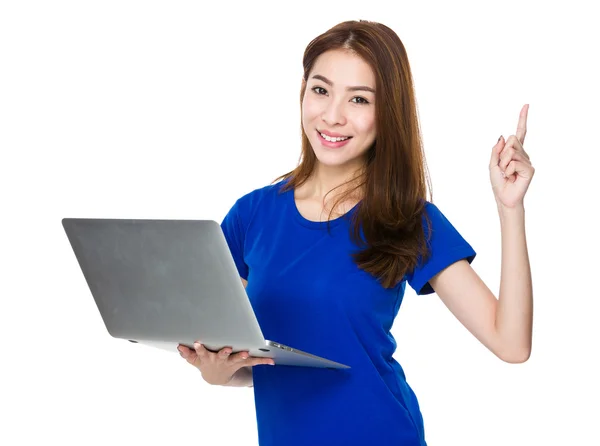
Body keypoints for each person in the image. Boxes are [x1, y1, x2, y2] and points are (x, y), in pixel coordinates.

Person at [177, 19, 534, 446]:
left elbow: (511, 343)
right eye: (321, 90)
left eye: (359, 99)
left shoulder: (408, 218)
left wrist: (509, 210)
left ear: (387, 114)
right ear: (303, 91)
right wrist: (218, 373)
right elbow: (257, 364)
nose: (332, 116)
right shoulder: (252, 215)